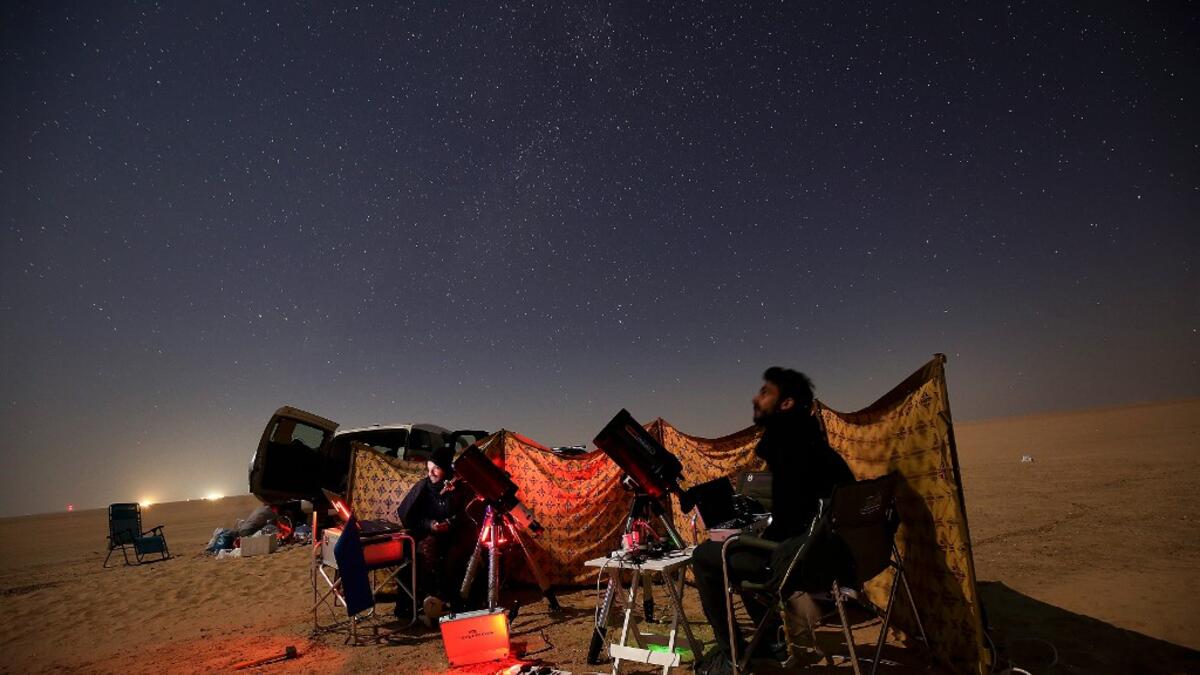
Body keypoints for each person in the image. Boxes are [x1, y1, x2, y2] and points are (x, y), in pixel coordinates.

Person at [691, 367, 856, 674]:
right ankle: (770, 640)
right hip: (832, 558)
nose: (757, 397)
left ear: (787, 404)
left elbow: (788, 525)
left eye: (766, 392)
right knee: (742, 554)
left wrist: (748, 534)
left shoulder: (790, 447)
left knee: (705, 557)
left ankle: (735, 657)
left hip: (803, 562)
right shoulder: (815, 445)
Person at [395, 445, 471, 622]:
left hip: (455, 536)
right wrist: (430, 525)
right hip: (427, 534)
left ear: (445, 468)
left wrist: (449, 523)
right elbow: (409, 516)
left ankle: (450, 604)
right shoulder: (423, 487)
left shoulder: (459, 488)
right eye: (429, 468)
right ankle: (417, 604)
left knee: (454, 558)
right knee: (415, 550)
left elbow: (467, 514)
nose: (431, 473)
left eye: (436, 468)